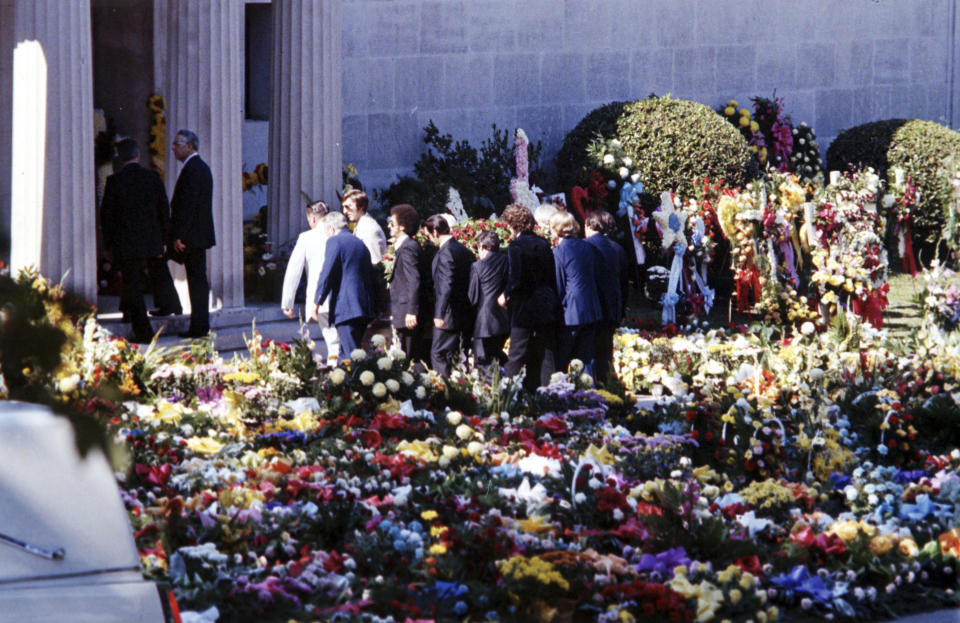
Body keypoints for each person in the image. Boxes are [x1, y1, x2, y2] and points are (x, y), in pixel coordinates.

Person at [100, 138, 175, 342]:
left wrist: (108, 245)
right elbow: (164, 210)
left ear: (120, 158)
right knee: (136, 281)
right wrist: (164, 239)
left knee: (132, 281)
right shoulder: (152, 177)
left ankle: (143, 330)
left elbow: (106, 216)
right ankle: (129, 312)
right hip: (150, 239)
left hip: (126, 241)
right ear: (137, 155)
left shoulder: (114, 181)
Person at [499, 204, 561, 391]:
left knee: (517, 353)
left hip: (524, 305)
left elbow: (516, 278)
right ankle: (545, 393)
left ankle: (508, 395)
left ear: (512, 224)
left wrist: (505, 294)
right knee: (544, 352)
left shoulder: (516, 246)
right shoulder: (543, 243)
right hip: (545, 303)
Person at [280, 200, 339, 362]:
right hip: (341, 296)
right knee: (338, 341)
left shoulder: (306, 237)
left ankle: (338, 377)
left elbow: (294, 271)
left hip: (319, 298)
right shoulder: (339, 232)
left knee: (333, 341)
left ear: (313, 219)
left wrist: (287, 303)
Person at [169, 129, 215, 338]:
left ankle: (199, 326)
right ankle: (200, 324)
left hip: (192, 237)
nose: (174, 148)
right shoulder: (198, 167)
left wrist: (180, 235)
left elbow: (188, 206)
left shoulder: (194, 168)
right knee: (198, 281)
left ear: (190, 146)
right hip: (197, 235)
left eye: (178, 144)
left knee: (197, 282)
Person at [314, 211, 376, 360]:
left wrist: (317, 302)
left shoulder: (335, 241)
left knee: (349, 357)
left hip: (347, 307)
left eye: (326, 232)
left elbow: (327, 272)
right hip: (362, 307)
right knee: (348, 353)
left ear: (331, 229)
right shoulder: (359, 243)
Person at [551, 210, 603, 376]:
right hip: (591, 306)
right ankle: (591, 397)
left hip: (571, 311)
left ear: (557, 229)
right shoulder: (588, 246)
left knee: (563, 358)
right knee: (586, 358)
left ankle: (560, 395)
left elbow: (559, 285)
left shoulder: (559, 251)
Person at [422, 214, 474, 377]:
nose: (429, 239)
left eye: (428, 235)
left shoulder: (446, 252)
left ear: (436, 232)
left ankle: (444, 395)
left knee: (439, 354)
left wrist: (439, 314)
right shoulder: (463, 250)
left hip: (448, 315)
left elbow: (446, 285)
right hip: (464, 313)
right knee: (456, 357)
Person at [585, 210, 629, 384]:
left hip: (590, 306)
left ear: (590, 225)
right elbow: (624, 284)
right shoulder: (618, 249)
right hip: (611, 308)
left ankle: (589, 390)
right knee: (605, 353)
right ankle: (607, 388)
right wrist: (622, 310)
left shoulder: (585, 245)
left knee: (587, 352)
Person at [387, 204, 430, 362]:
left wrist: (411, 311)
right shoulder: (406, 247)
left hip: (407, 314)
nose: (388, 226)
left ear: (403, 227)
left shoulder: (408, 248)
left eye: (392, 223)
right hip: (404, 311)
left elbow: (414, 279)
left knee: (407, 358)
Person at [468, 229, 509, 368]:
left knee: (483, 362)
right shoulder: (506, 261)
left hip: (484, 322)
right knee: (498, 355)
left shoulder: (477, 266)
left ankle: (491, 389)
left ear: (483, 247)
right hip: (504, 320)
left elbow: (472, 297)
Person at [341, 188, 386, 264]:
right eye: (344, 207)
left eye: (348, 207)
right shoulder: (361, 225)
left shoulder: (369, 228)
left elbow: (375, 263)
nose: (344, 211)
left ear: (361, 206)